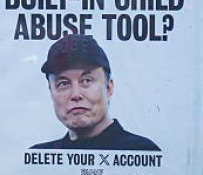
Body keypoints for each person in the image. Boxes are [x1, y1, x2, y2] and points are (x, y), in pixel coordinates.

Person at [31, 34, 160, 151]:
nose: (76, 95)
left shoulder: (142, 152)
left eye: (86, 80)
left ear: (108, 88)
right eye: (63, 84)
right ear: (51, 92)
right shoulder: (40, 158)